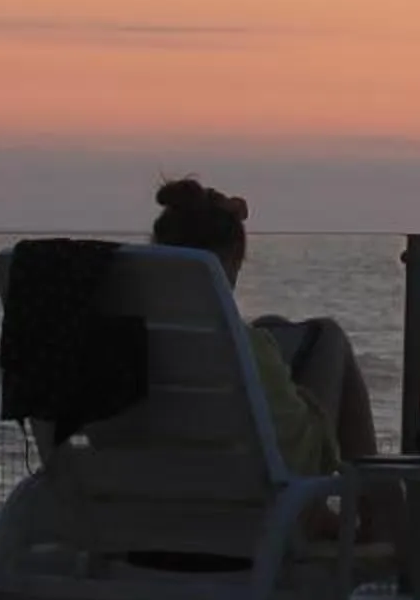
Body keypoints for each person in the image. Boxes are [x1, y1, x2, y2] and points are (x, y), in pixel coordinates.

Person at [149, 176, 379, 484]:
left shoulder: (125, 341)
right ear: (230, 261)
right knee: (329, 337)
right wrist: (304, 398)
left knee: (272, 326)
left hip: (153, 491)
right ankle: (381, 514)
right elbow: (298, 448)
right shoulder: (240, 348)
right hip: (248, 495)